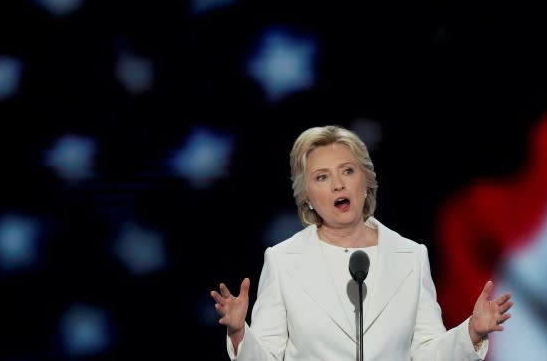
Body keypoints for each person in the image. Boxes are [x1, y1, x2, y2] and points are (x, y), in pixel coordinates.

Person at [211, 125, 513, 360]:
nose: (338, 184)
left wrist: (471, 332)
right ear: (307, 197)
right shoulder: (283, 260)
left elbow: (427, 354)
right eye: (322, 177)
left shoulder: (410, 256)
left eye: (347, 171)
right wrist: (239, 333)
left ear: (365, 181)